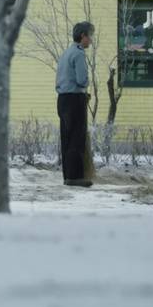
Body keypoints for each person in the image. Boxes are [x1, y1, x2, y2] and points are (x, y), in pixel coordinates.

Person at [56, 22, 94, 188]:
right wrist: (86, 81)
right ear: (83, 36)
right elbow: (82, 80)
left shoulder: (66, 53)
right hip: (75, 99)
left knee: (67, 138)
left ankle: (68, 176)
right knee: (77, 139)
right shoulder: (78, 54)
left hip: (63, 99)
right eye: (90, 36)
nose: (91, 40)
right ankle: (76, 177)